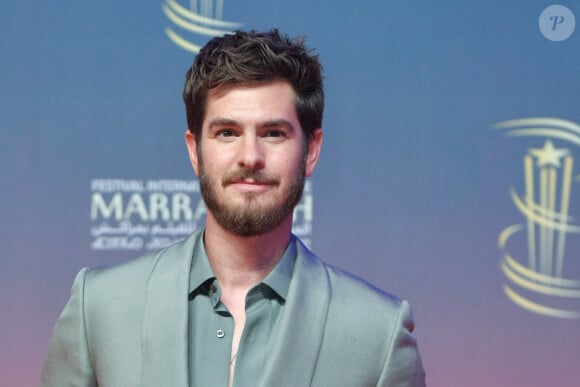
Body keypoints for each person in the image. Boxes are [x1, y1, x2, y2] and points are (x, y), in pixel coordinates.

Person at [40, 29, 425, 387]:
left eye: (273, 133)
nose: (249, 157)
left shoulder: (378, 333)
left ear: (312, 150)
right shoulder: (99, 307)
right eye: (227, 133)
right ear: (195, 150)